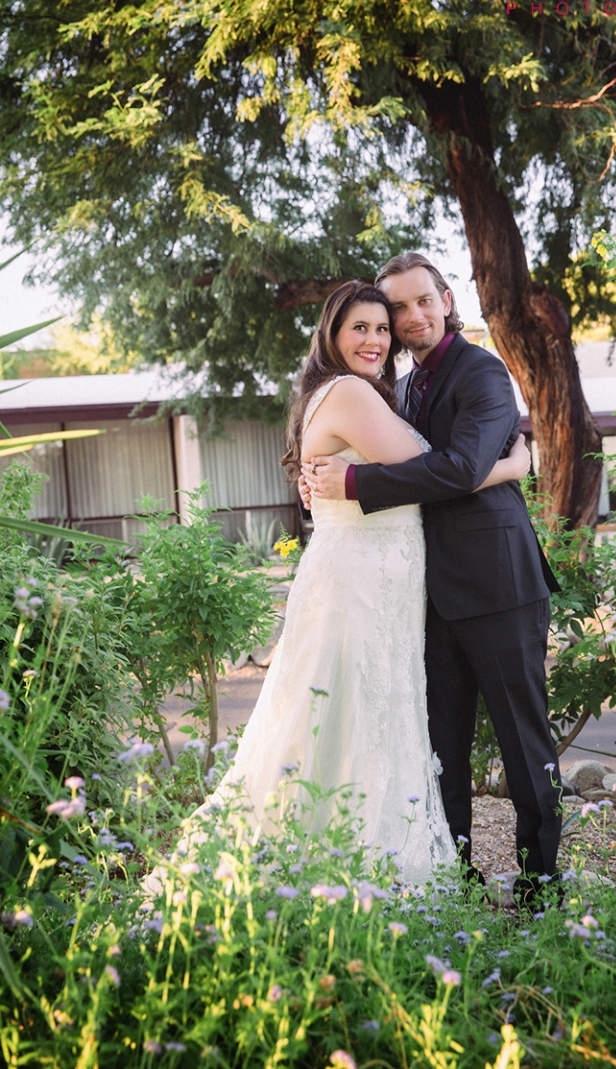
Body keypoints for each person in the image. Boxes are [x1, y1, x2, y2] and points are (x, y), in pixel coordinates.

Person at [170, 279, 530, 887]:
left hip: (368, 579)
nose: (375, 339)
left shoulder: (350, 393)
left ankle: (340, 850)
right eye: (359, 328)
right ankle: (356, 864)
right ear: (332, 336)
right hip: (360, 585)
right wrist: (519, 463)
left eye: (381, 328)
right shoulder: (352, 395)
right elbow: (437, 469)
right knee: (356, 716)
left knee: (347, 716)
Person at [303, 254, 563, 900]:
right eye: (397, 309)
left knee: (523, 745)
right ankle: (458, 880)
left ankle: (543, 887)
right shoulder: (402, 384)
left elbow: (459, 468)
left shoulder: (482, 372)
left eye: (424, 301)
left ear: (447, 300)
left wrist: (355, 481)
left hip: (498, 587)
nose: (411, 317)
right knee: (436, 748)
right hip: (420, 595)